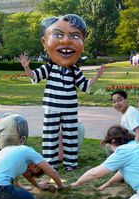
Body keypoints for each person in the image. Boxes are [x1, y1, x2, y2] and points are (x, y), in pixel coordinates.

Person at [19, 14, 105, 171]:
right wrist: (26, 67)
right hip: (51, 107)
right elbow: (34, 76)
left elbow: (84, 85)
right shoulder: (49, 67)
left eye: (74, 36)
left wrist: (96, 77)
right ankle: (50, 164)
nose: (66, 41)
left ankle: (70, 164)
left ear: (83, 44)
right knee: (49, 136)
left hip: (70, 108)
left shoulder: (75, 70)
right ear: (45, 43)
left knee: (71, 135)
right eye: (58, 35)